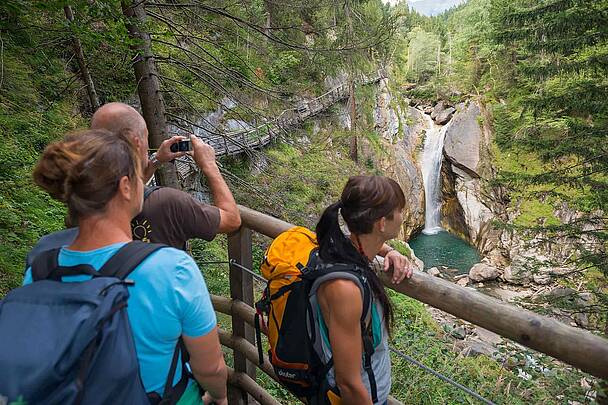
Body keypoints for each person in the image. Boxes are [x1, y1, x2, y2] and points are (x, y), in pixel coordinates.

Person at [23, 129, 227, 405]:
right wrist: (219, 396)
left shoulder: (41, 267)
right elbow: (210, 368)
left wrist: (152, 161)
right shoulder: (172, 268)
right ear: (125, 187)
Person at [26, 102, 240, 267]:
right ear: (138, 142)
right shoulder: (168, 204)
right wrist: (209, 165)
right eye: (146, 138)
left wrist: (155, 160)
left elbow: (122, 184)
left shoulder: (81, 197)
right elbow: (231, 220)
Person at [313, 176, 413, 405]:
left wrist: (388, 251)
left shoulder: (340, 246)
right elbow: (348, 382)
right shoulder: (345, 289)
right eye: (399, 211)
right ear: (381, 223)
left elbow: (359, 241)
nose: (402, 216)